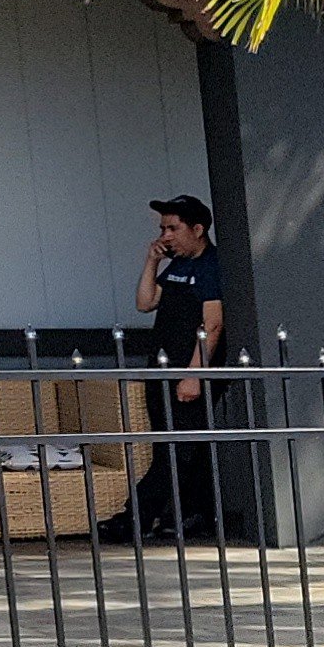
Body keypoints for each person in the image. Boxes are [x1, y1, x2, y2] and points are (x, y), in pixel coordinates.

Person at [127, 194, 228, 543]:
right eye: (162, 228)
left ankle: (134, 517)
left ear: (197, 229)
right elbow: (145, 303)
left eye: (173, 228)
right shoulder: (177, 265)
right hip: (161, 369)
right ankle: (190, 513)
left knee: (178, 449)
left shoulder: (210, 266)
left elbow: (212, 325)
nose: (165, 235)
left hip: (188, 371)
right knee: (172, 448)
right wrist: (151, 261)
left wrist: (195, 374)